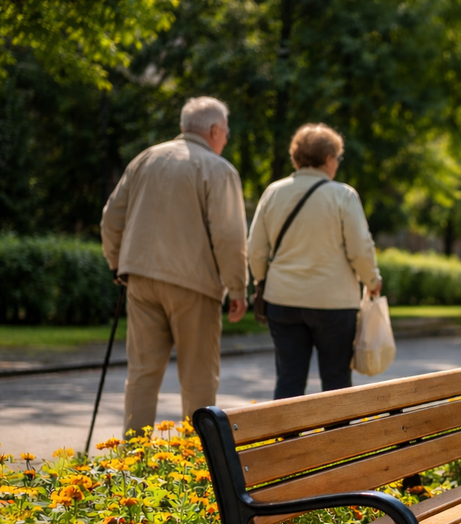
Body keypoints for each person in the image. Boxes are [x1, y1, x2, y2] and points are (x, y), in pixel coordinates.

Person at [101, 96, 248, 435]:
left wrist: (117, 265)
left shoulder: (145, 159)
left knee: (141, 374)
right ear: (213, 130)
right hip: (193, 284)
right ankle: (195, 461)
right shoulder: (218, 169)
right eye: (225, 131)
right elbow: (229, 236)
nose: (226, 138)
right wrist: (238, 288)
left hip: (139, 279)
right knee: (198, 379)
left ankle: (133, 459)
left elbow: (111, 220)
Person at [247, 123, 382, 400]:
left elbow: (256, 249)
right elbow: (360, 249)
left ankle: (285, 442)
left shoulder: (274, 192)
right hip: (334, 304)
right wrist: (372, 281)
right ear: (329, 159)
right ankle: (337, 443)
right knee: (336, 382)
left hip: (282, 301)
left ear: (296, 157)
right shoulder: (343, 195)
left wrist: (261, 279)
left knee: (288, 380)